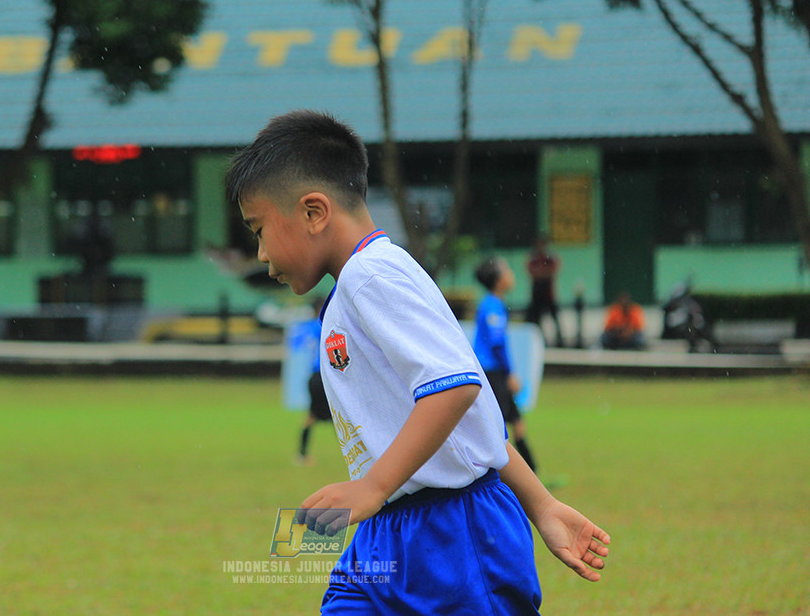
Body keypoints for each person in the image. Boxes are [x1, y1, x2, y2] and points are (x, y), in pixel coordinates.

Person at [226, 110, 609, 614]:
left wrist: (372, 485)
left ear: (314, 212)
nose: (259, 252)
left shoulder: (373, 276)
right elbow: (468, 420)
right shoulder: (354, 287)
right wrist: (542, 503)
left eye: (259, 229)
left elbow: (455, 390)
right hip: (388, 531)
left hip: (454, 532)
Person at [473, 257, 537, 473]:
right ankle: (501, 477)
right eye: (507, 270)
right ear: (499, 280)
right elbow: (496, 344)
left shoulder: (494, 303)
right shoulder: (492, 305)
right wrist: (510, 374)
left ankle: (533, 474)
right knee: (497, 429)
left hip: (496, 370)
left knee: (517, 422)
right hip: (492, 372)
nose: (512, 274)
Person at [297, 297, 332, 465]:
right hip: (323, 376)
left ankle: (302, 455)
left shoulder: (309, 326)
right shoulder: (324, 324)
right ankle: (354, 454)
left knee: (312, 416)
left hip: (314, 377)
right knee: (338, 416)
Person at [525, 235, 564, 347]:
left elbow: (554, 270)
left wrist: (541, 273)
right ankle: (538, 341)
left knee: (555, 318)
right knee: (535, 320)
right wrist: (543, 274)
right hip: (536, 293)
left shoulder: (550, 257)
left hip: (548, 293)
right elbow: (531, 271)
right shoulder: (533, 258)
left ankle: (559, 341)